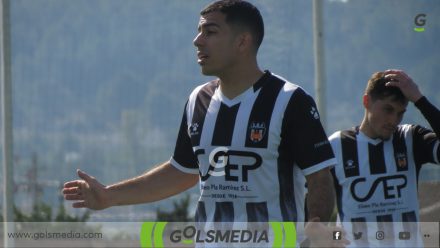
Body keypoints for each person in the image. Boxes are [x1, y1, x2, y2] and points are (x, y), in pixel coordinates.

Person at [63, 0, 342, 246]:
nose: (198, 40)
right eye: (199, 31)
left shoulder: (290, 100)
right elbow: (182, 171)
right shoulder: (199, 99)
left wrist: (318, 232)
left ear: (242, 42)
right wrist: (109, 197)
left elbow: (319, 177)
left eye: (210, 32)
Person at [329, 69, 440, 247]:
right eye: (388, 110)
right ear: (367, 101)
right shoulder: (336, 145)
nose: (393, 120)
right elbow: (314, 205)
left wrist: (420, 100)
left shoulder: (411, 138)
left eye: (400, 113)